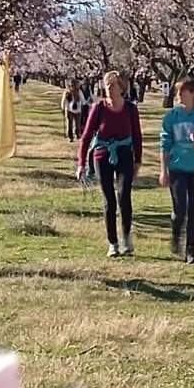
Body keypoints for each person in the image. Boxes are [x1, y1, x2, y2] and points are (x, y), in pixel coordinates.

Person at [77, 71, 143, 257]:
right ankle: (112, 242)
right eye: (107, 84)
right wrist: (82, 163)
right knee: (109, 200)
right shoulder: (98, 108)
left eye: (113, 84)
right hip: (102, 154)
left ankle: (126, 236)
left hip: (124, 154)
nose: (109, 88)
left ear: (122, 88)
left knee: (124, 196)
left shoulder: (130, 109)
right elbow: (86, 136)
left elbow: (137, 136)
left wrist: (138, 160)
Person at [159, 76, 194, 263]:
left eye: (182, 91)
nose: (178, 95)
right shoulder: (172, 117)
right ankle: (176, 231)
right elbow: (165, 143)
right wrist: (164, 170)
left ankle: (190, 250)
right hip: (177, 168)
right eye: (177, 91)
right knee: (180, 209)